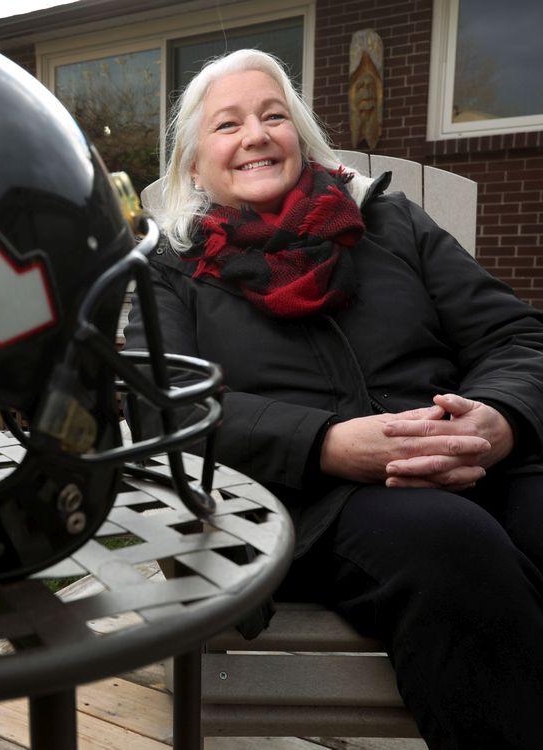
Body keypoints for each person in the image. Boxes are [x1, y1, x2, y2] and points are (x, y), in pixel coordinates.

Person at [124, 48, 543, 750]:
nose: (256, 134)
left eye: (273, 116)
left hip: (475, 460)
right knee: (450, 546)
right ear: (195, 166)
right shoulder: (170, 270)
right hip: (307, 503)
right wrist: (325, 442)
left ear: (300, 136)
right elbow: (159, 404)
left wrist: (498, 419)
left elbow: (516, 338)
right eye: (227, 125)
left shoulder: (392, 226)